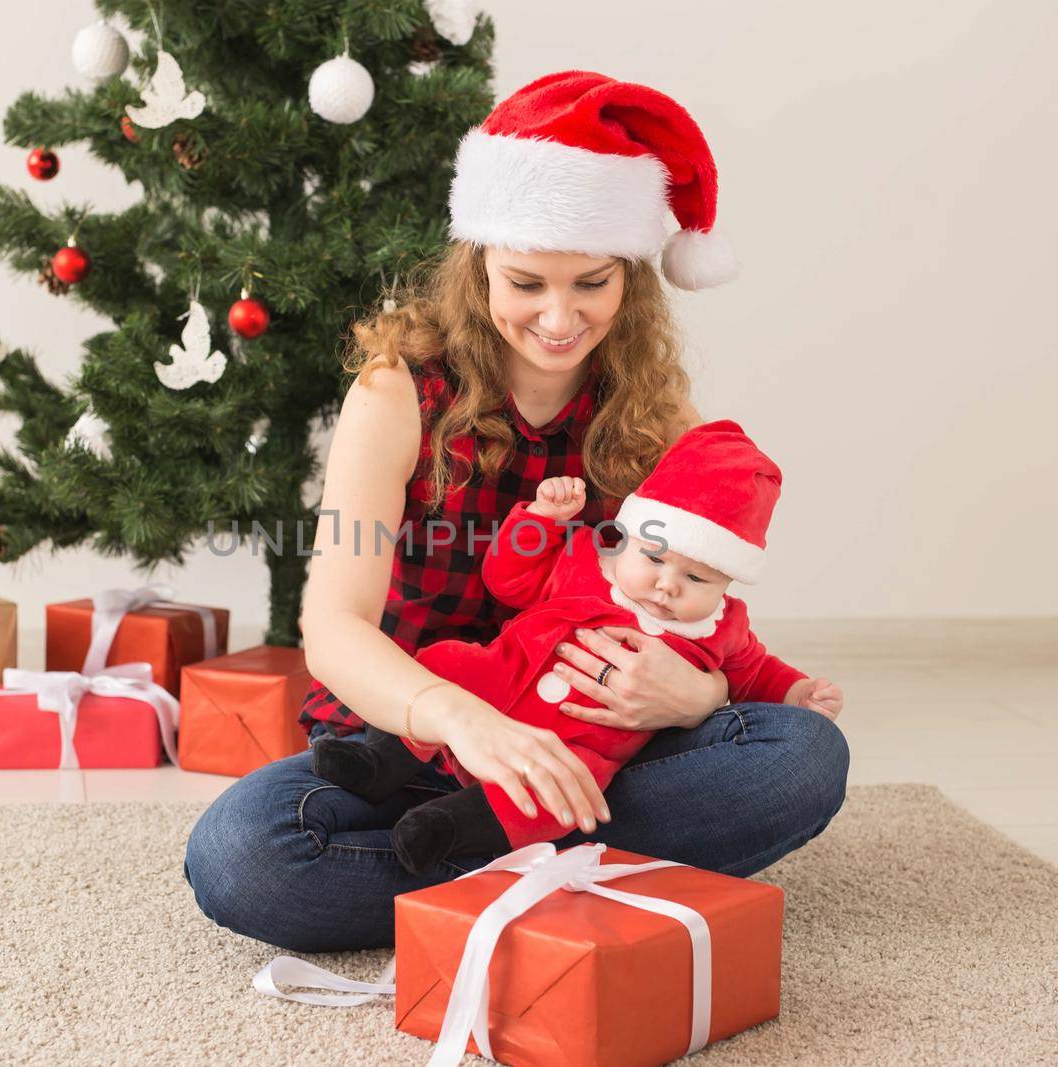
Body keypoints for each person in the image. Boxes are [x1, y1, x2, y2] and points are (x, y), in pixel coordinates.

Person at [183, 69, 850, 952]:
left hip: (590, 745)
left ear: (631, 280)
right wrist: (466, 720)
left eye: (592, 284)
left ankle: (482, 866)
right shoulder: (395, 394)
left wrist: (700, 693)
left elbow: (703, 612)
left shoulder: (654, 415)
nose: (560, 316)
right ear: (479, 264)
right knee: (241, 856)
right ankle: (557, 868)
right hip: (417, 739)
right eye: (527, 282)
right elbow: (334, 628)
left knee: (802, 755)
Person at [310, 420, 846, 874]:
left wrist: (796, 692)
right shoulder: (585, 559)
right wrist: (540, 523)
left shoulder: (721, 627)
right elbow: (508, 580)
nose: (667, 586)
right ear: (630, 533)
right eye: (655, 560)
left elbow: (758, 673)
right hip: (500, 682)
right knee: (447, 662)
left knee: (568, 792)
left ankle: (454, 830)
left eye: (697, 579)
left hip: (581, 746)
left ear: (728, 583)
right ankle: (381, 763)